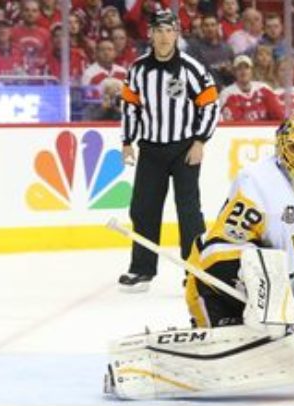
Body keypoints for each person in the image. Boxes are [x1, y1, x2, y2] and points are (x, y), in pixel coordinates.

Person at [105, 112, 294, 399]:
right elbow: (215, 252)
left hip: (289, 299)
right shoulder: (257, 184)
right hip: (220, 292)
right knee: (258, 354)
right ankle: (140, 367)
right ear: (280, 147)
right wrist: (266, 294)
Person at [119, 9, 221, 292]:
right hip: (150, 149)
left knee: (189, 212)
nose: (164, 37)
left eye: (169, 30)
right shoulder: (137, 70)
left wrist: (200, 141)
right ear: (149, 34)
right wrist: (127, 141)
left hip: (184, 149)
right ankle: (141, 270)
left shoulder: (192, 68)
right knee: (143, 209)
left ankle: (194, 270)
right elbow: (130, 107)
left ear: (177, 33)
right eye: (159, 30)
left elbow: (211, 106)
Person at [219, 54, 282, 121]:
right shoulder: (226, 94)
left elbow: (278, 115)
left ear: (252, 71)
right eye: (239, 68)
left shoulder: (264, 88)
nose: (243, 71)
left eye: (246, 67)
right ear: (234, 72)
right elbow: (233, 123)